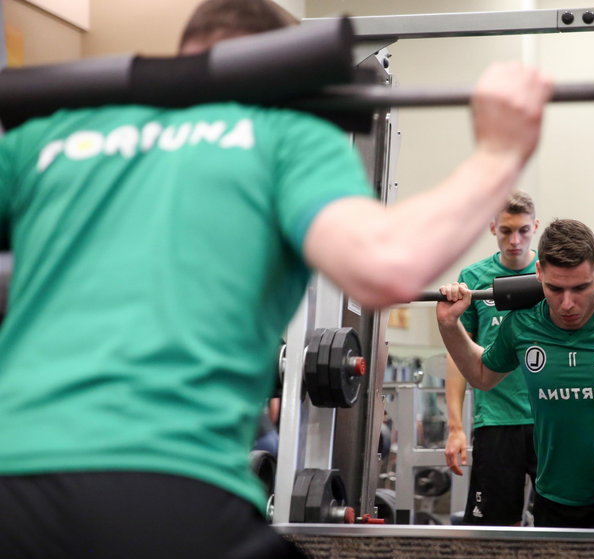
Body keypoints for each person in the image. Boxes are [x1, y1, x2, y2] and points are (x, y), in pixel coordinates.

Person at [0, 0, 554, 556]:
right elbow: (386, 265)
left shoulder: (55, 134)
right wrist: (500, 150)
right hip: (163, 485)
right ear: (284, 74)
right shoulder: (281, 135)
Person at [436, 219, 594, 530]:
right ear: (539, 273)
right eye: (555, 288)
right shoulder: (522, 324)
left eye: (580, 287)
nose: (567, 303)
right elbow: (483, 375)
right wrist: (449, 326)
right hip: (556, 497)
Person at [444, 189, 539, 526]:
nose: (515, 240)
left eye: (523, 230)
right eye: (506, 231)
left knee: (562, 529)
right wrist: (456, 428)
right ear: (492, 229)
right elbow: (458, 355)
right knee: (495, 532)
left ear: (535, 227)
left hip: (551, 419)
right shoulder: (474, 279)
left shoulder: (553, 274)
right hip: (496, 420)